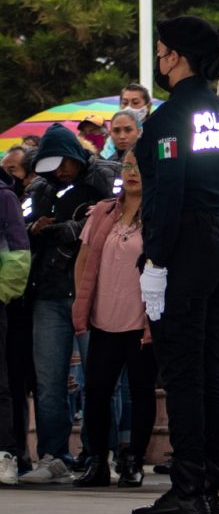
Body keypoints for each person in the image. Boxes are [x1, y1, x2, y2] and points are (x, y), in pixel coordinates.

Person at [132, 16, 219, 514]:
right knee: (210, 367)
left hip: (184, 246)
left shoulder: (173, 116)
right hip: (217, 239)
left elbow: (167, 190)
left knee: (183, 371)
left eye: (160, 52)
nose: (159, 61)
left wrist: (156, 258)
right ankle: (209, 482)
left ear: (173, 57)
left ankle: (190, 488)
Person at [21, 123, 112, 484]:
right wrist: (34, 228)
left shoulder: (105, 176)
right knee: (48, 383)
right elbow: (20, 224)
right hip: (49, 291)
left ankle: (97, 454)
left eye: (64, 164)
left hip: (94, 291)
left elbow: (121, 217)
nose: (59, 172)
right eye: (51, 165)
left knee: (99, 381)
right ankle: (53, 454)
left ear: (75, 156)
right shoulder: (40, 186)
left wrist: (77, 229)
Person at [71, 152, 156, 489]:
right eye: (127, 166)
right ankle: (97, 461)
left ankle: (134, 459)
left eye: (139, 166)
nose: (132, 172)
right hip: (103, 317)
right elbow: (83, 259)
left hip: (142, 321)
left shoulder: (159, 213)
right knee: (96, 391)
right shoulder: (105, 211)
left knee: (141, 391)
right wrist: (81, 302)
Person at [0, 162, 30, 489]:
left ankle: (4, 455)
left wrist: (4, 293)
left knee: (0, 382)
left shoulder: (4, 197)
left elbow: (18, 249)